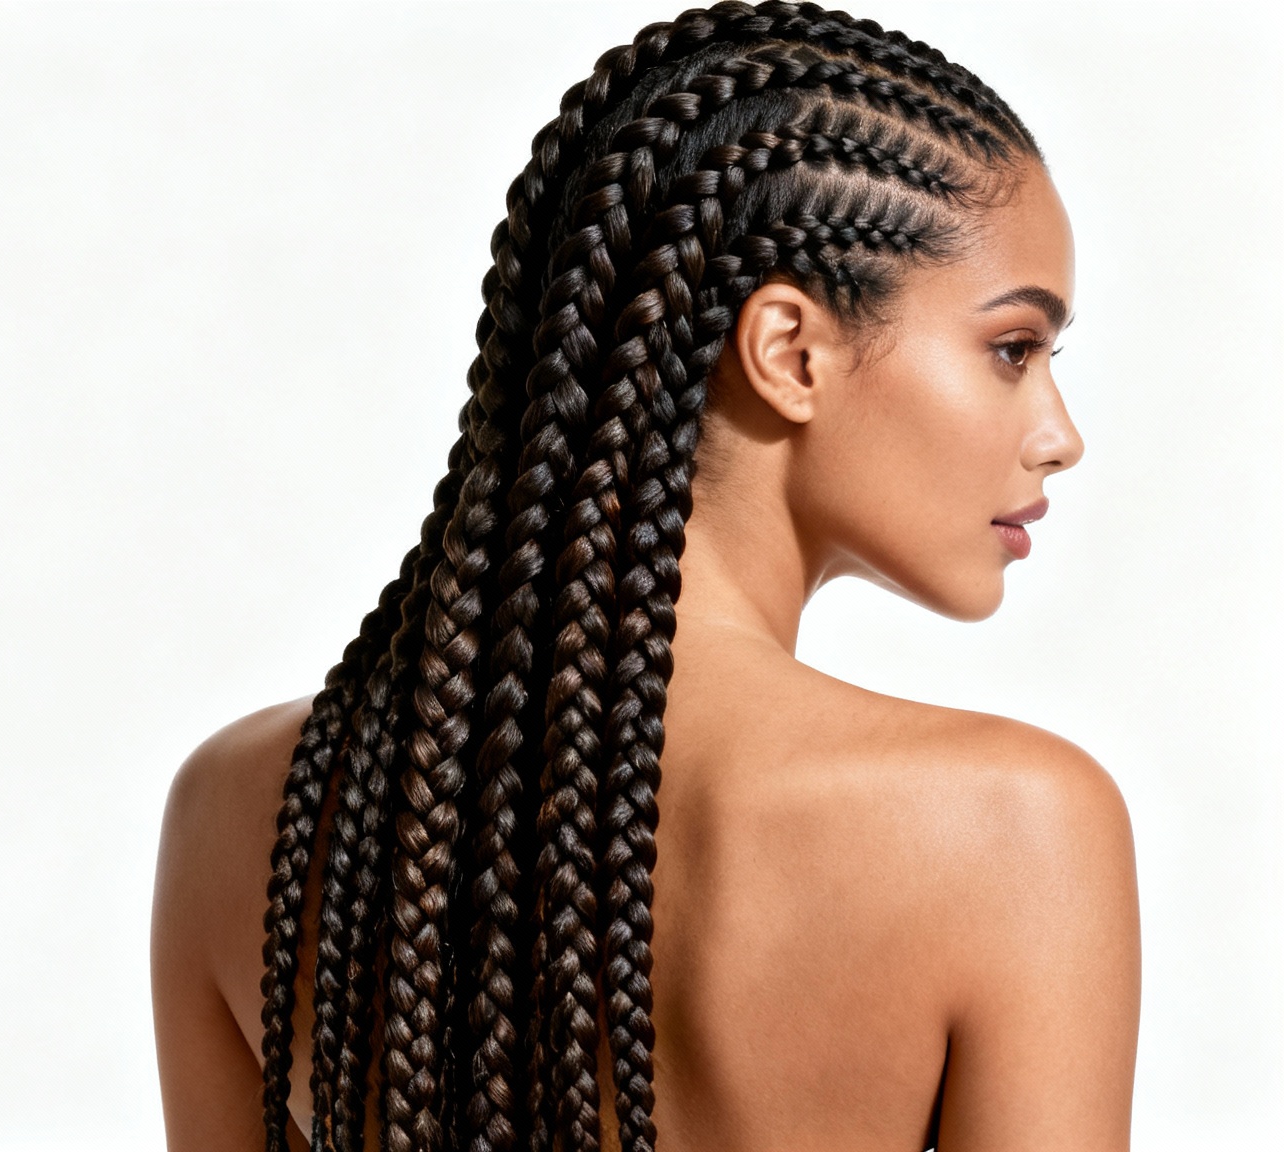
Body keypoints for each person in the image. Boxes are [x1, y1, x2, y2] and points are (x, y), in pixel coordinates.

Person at [149, 3, 1141, 1150]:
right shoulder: (1009, 833)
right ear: (788, 351)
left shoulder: (239, 808)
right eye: (1010, 350)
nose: (1057, 433)